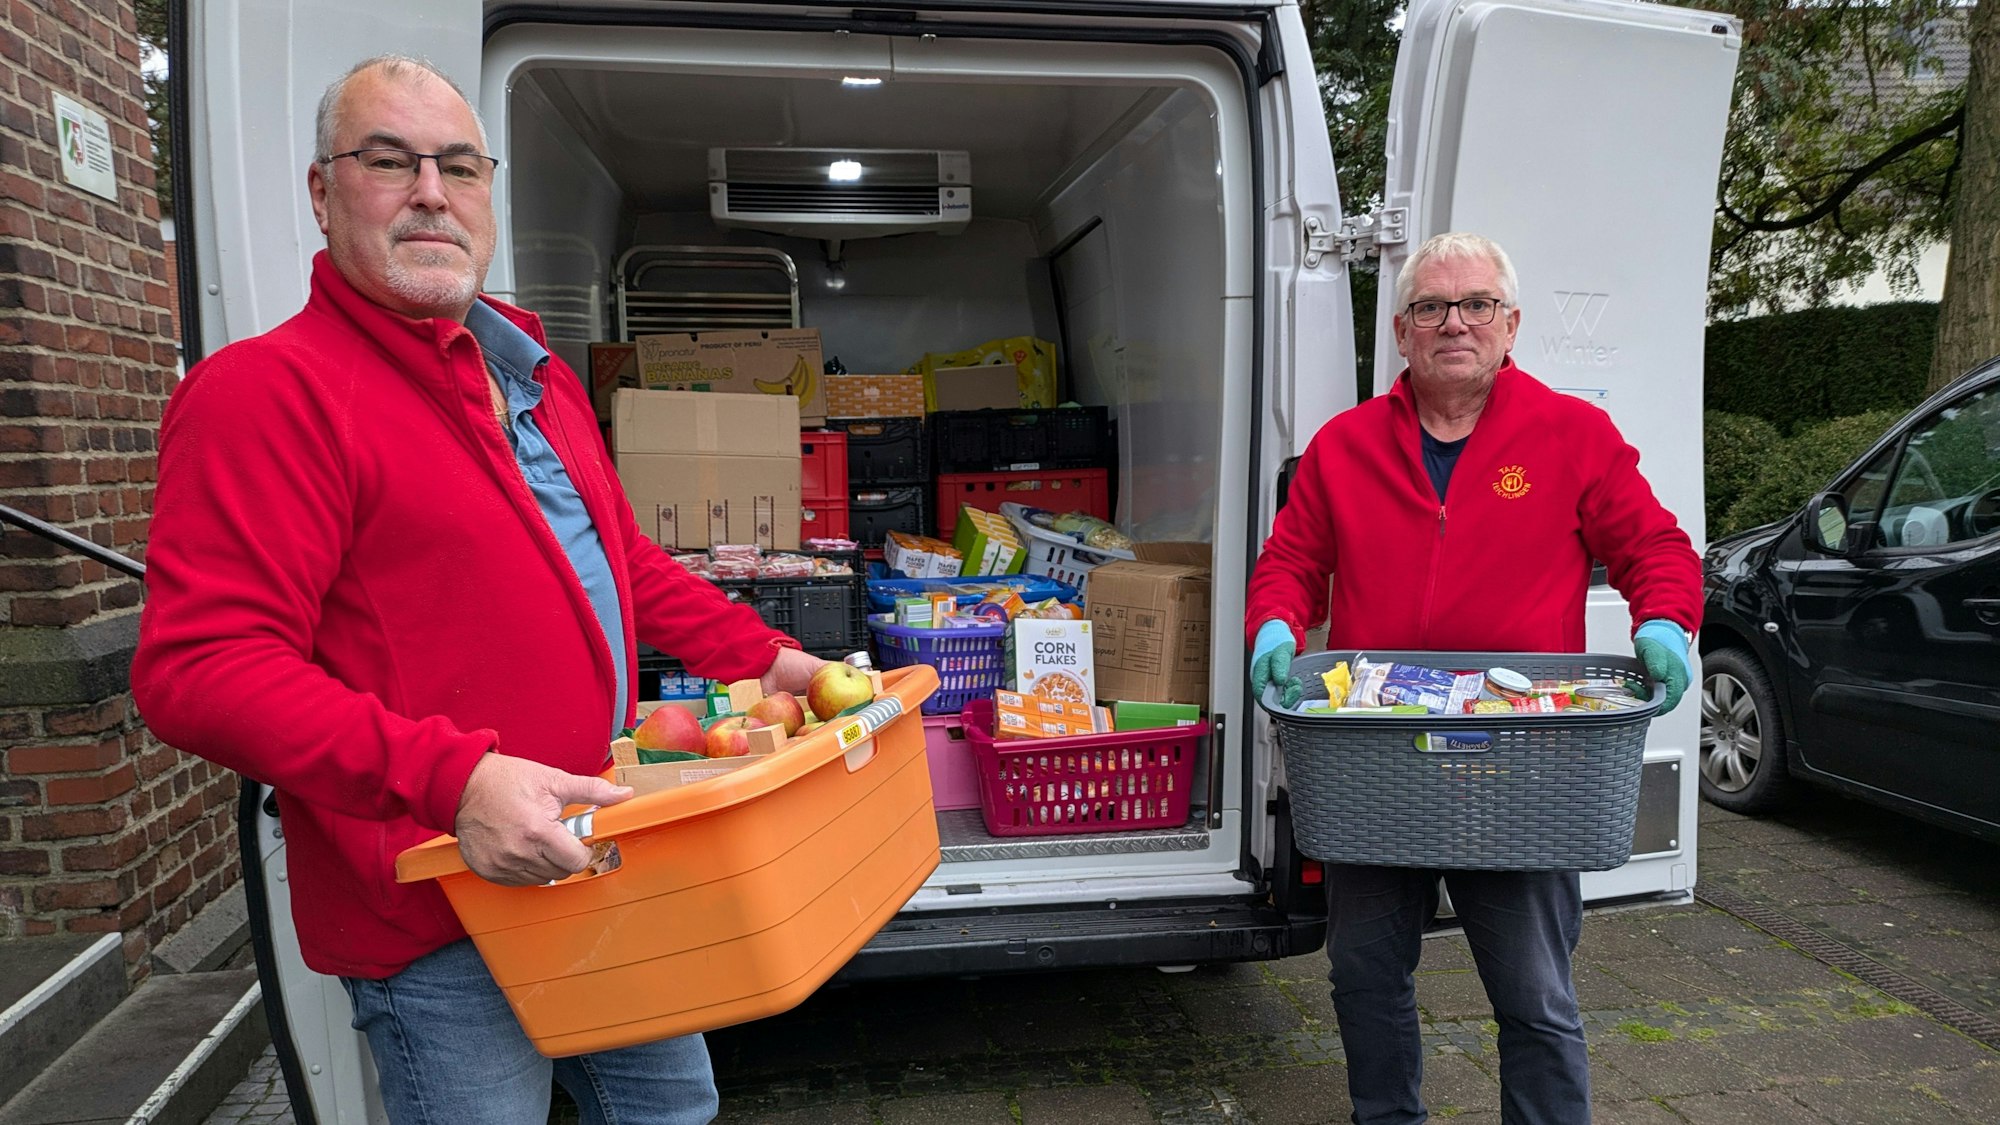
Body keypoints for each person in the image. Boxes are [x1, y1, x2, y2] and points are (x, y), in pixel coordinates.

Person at [130, 55, 826, 1125]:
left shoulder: (532, 378)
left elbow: (619, 560)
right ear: (322, 191)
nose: (430, 192)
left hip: (598, 856)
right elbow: (200, 671)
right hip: (439, 906)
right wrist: (454, 781)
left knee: (671, 1113)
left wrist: (768, 657)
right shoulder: (266, 395)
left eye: (458, 166)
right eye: (388, 162)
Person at [1243, 232, 1700, 1125]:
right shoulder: (1344, 446)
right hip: (1376, 758)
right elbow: (1290, 560)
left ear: (1510, 324)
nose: (1454, 322)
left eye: (1477, 303)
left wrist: (1665, 624)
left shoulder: (1572, 435)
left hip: (1522, 758)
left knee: (1534, 990)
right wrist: (1273, 624)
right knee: (1363, 971)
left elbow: (1656, 547)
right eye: (1430, 307)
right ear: (1403, 332)